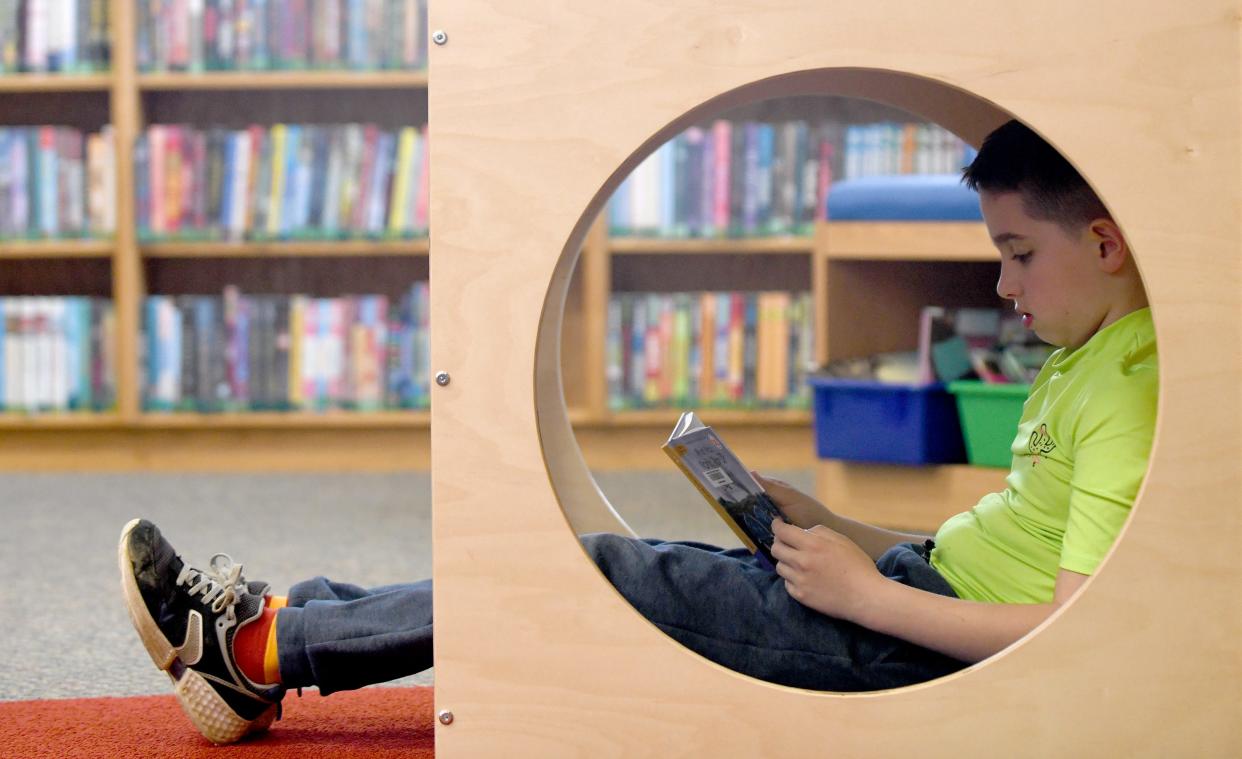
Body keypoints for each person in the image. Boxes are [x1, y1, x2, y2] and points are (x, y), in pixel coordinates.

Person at [118, 119, 1157, 744]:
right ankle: (289, 623)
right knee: (634, 563)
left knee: (607, 574)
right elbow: (1018, 557)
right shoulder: (1089, 354)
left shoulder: (1129, 385)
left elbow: (1074, 632)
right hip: (909, 594)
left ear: (1105, 243)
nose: (999, 280)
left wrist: (868, 596)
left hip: (909, 645)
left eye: (1019, 254)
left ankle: (262, 647)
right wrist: (832, 526)